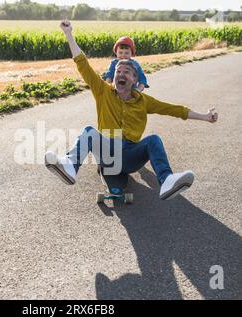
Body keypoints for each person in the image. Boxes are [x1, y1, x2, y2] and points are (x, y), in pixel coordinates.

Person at [45, 20, 218, 200]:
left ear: (135, 80)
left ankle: (166, 180)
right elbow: (82, 64)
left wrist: (205, 117)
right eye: (118, 71)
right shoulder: (103, 91)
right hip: (107, 153)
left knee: (153, 140)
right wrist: (68, 34)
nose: (121, 74)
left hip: (130, 157)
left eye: (126, 72)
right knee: (89, 132)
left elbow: (175, 110)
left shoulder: (143, 101)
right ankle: (70, 167)